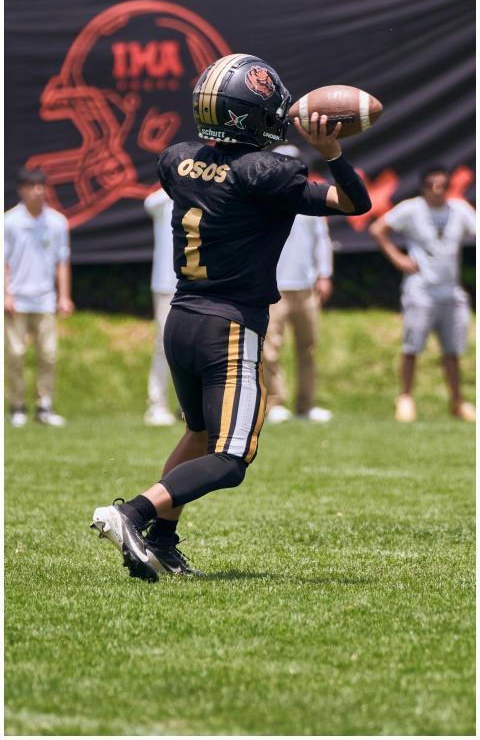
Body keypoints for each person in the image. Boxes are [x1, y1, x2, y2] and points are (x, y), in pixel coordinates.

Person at [92, 53, 371, 580]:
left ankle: (163, 543)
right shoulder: (270, 172)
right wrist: (331, 149)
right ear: (253, 114)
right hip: (229, 326)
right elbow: (354, 203)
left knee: (198, 434)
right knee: (230, 458)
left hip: (182, 320)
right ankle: (130, 514)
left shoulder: (177, 160)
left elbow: (219, 169)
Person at [370, 166, 476, 423]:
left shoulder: (459, 210)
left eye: (443, 185)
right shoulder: (411, 209)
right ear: (424, 187)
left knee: (453, 350)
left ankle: (458, 401)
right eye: (432, 185)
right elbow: (377, 229)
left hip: (451, 291)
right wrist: (398, 258)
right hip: (420, 290)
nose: (438, 190)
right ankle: (405, 398)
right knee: (412, 347)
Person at [265, 144, 334, 424]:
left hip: (306, 287)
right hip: (274, 287)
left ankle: (306, 404)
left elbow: (323, 239)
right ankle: (275, 402)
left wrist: (324, 274)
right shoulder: (265, 197)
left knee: (308, 347)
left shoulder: (311, 197)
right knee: (270, 349)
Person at [5, 167, 74, 427]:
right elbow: (4, 262)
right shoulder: (9, 221)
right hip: (17, 301)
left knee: (48, 354)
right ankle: (17, 406)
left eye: (41, 186)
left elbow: (62, 262)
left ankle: (44, 406)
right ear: (21, 189)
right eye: (33, 186)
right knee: (15, 354)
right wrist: (6, 294)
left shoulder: (57, 222)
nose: (38, 191)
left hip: (45, 299)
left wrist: (64, 296)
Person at [143, 188, 177, 426]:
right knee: (163, 345)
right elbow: (149, 201)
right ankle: (157, 405)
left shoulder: (208, 195)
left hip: (199, 284)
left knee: (199, 346)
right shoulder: (163, 200)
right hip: (166, 284)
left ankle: (191, 409)